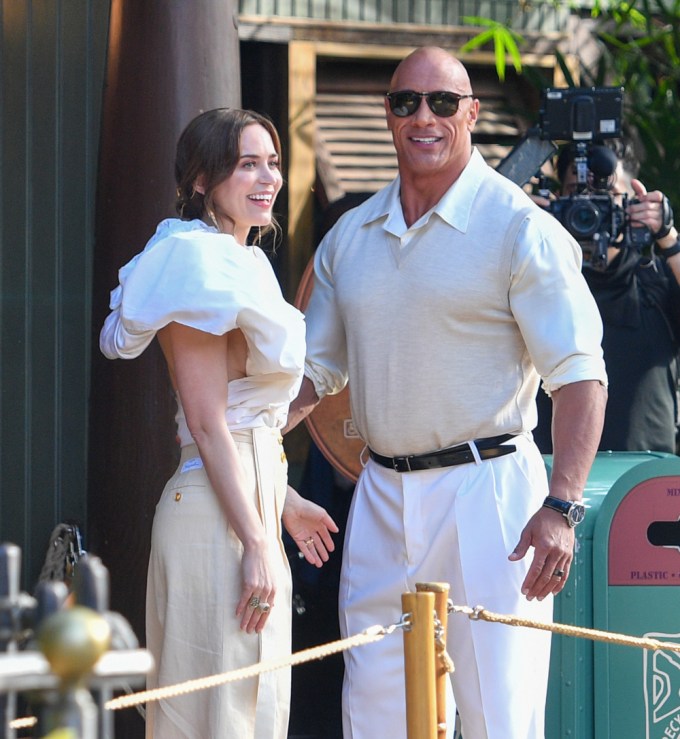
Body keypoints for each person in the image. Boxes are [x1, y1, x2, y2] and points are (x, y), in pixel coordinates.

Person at [284, 47, 608, 739]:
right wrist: (224, 435)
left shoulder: (521, 228)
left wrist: (561, 504)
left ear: (472, 112)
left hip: (491, 492)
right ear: (388, 114)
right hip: (379, 492)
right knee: (375, 712)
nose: (422, 117)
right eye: (406, 102)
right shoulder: (351, 236)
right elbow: (312, 374)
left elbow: (580, 374)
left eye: (441, 102)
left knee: (500, 715)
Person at [99, 108, 338, 739]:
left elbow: (242, 420)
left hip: (245, 505)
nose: (268, 179)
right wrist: (258, 541)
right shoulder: (192, 262)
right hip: (215, 518)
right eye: (247, 164)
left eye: (273, 162)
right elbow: (207, 425)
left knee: (255, 710)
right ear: (202, 180)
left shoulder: (243, 260)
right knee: (215, 715)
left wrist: (280, 501)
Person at [532, 140, 680, 454]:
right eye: (577, 193)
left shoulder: (657, 274)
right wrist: (517, 225)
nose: (592, 207)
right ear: (557, 200)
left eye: (608, 195)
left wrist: (668, 237)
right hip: (551, 483)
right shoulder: (534, 279)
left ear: (634, 203)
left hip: (644, 482)